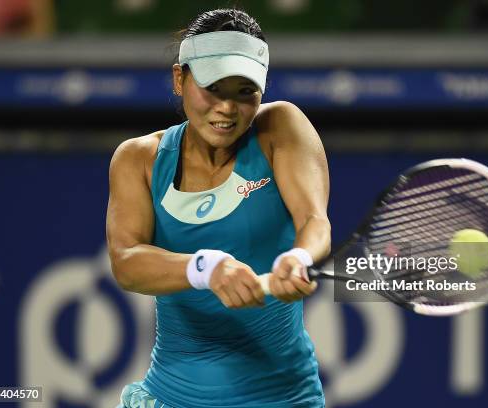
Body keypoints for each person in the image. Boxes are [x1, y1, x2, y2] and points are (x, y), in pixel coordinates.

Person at [106, 8, 330, 408]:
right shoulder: (138, 159)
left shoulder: (281, 126)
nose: (227, 109)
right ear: (180, 79)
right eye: (213, 88)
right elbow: (127, 261)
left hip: (285, 399)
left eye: (244, 91)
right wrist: (206, 267)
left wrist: (298, 256)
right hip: (170, 398)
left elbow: (314, 221)